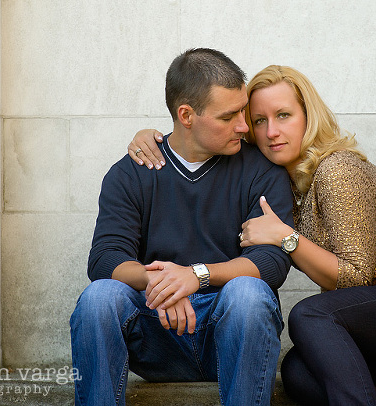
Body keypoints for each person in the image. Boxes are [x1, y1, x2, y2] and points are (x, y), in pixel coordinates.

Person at [129, 65, 376, 406]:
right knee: (298, 372)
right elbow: (194, 135)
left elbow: (356, 279)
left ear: (308, 116)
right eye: (259, 120)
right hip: (372, 330)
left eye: (284, 115)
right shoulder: (281, 181)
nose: (272, 131)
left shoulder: (337, 169)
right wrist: (152, 139)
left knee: (309, 315)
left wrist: (287, 237)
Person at [70, 49, 295, 406]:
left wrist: (195, 276)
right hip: (157, 328)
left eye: (242, 111)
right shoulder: (131, 173)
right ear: (186, 115)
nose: (243, 125)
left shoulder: (261, 171)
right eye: (228, 116)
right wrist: (164, 283)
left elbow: (272, 263)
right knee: (98, 298)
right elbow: (104, 259)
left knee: (249, 295)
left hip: (230, 331)